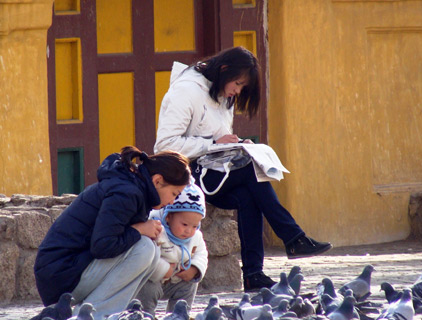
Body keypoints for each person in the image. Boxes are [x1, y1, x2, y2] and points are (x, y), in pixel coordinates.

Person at [154, 46, 333, 292]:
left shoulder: (222, 93)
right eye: (237, 83)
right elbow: (164, 145)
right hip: (187, 174)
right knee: (251, 170)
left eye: (241, 88)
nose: (237, 92)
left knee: (250, 194)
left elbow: (217, 138)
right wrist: (214, 144)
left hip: (214, 171)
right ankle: (292, 237)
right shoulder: (185, 91)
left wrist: (235, 145)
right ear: (224, 70)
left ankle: (253, 274)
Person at [34, 146, 191, 320]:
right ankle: (92, 315)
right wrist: (139, 229)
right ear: (157, 181)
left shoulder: (132, 187)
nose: (172, 201)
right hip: (60, 276)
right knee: (144, 248)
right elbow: (102, 246)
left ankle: (102, 314)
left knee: (150, 250)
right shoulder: (125, 193)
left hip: (67, 272)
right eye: (174, 194)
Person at [137, 183, 208, 316]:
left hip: (175, 281)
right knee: (146, 290)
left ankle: (179, 315)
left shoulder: (196, 236)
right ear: (168, 217)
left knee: (189, 285)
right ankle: (145, 315)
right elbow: (146, 255)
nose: (189, 230)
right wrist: (164, 269)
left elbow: (202, 253)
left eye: (195, 226)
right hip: (153, 279)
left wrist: (195, 268)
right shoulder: (157, 230)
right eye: (185, 224)